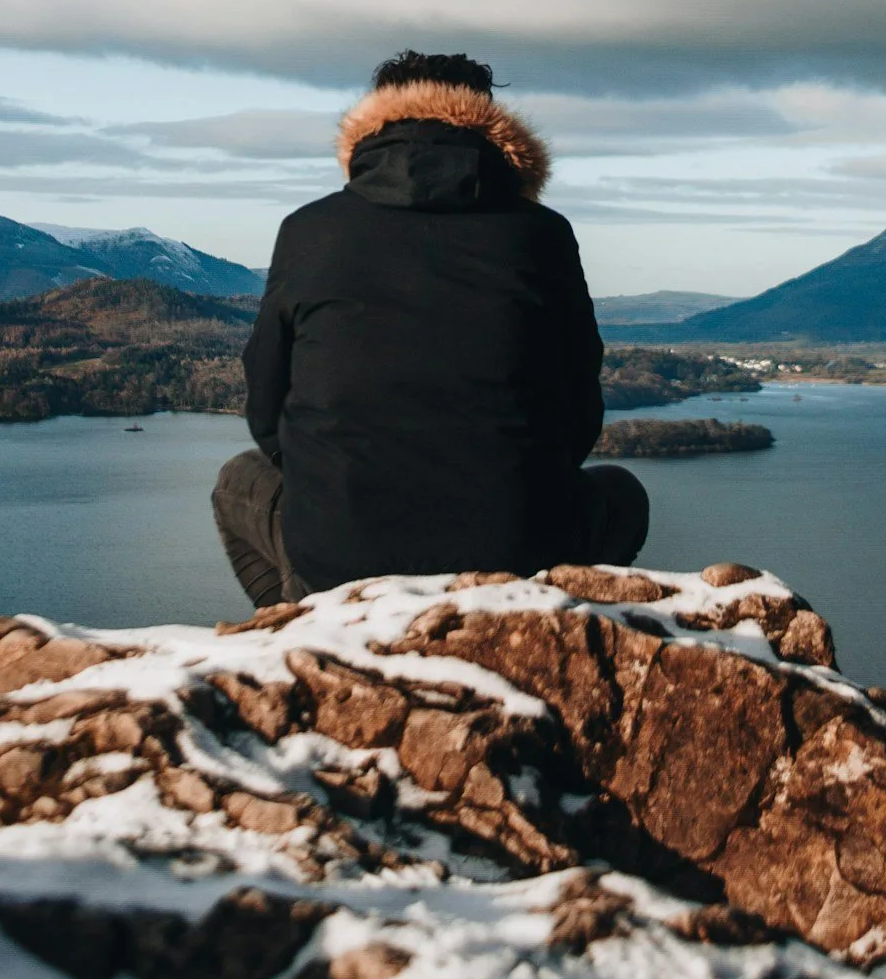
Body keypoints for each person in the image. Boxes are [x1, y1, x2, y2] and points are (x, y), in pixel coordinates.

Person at [211, 49, 648, 608]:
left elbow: (265, 396)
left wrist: (328, 478)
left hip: (341, 549)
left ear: (371, 122)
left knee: (236, 482)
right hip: (513, 549)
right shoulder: (542, 234)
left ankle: (309, 622)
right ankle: (535, 620)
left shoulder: (310, 229)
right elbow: (580, 404)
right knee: (622, 496)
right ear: (494, 128)